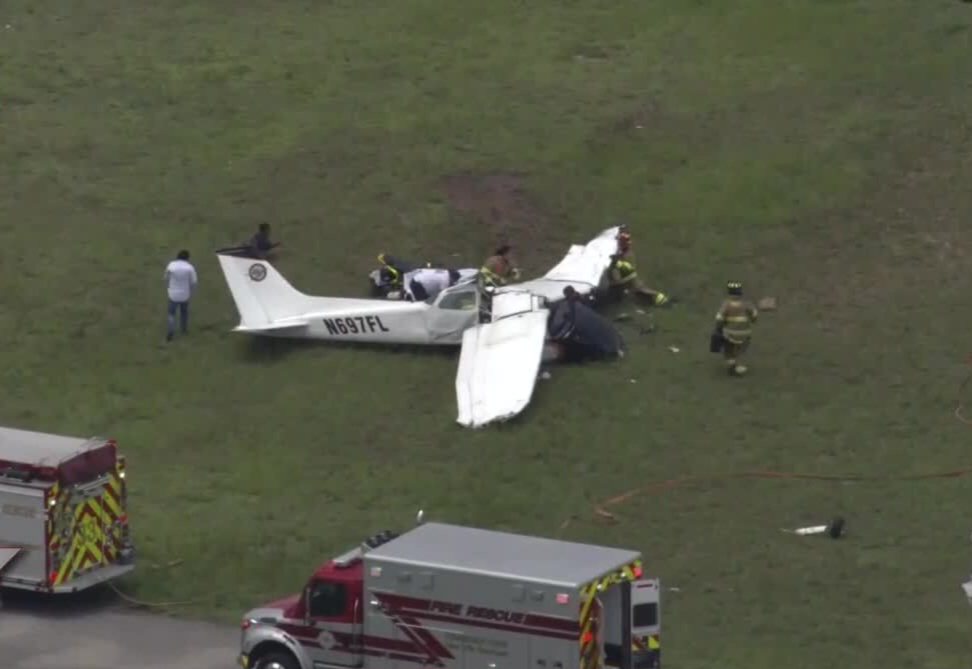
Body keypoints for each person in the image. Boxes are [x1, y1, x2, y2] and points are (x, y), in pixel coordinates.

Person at [607, 227, 669, 307]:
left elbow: (624, 275)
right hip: (630, 285)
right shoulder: (623, 254)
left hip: (629, 286)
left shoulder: (626, 256)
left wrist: (615, 264)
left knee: (640, 292)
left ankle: (660, 301)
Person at [712, 281, 758, 376]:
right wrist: (752, 320)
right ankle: (738, 364)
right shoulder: (746, 304)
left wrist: (718, 329)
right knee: (741, 349)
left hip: (730, 334)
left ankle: (732, 365)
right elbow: (754, 315)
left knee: (728, 350)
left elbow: (719, 319)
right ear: (740, 293)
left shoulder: (726, 305)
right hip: (745, 334)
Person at [163, 250, 198, 342]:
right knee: (184, 313)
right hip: (184, 295)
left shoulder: (171, 265)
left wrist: (169, 285)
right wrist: (192, 291)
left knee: (171, 314)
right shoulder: (190, 268)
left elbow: (166, 277)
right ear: (187, 258)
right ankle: (184, 330)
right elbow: (194, 282)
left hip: (173, 294)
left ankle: (171, 330)